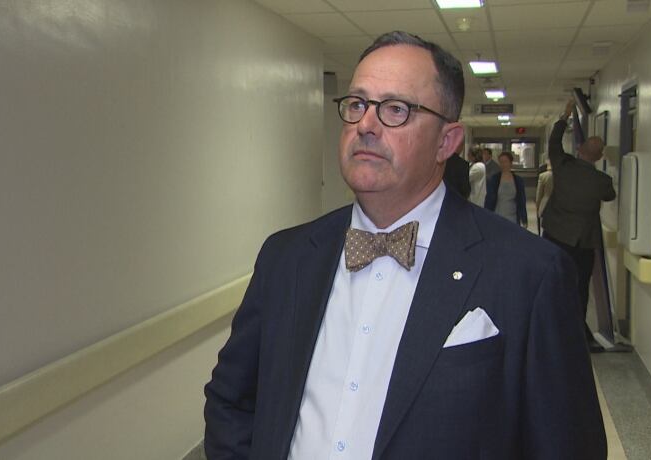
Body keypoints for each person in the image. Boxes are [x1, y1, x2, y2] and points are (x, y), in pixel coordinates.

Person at [204, 31, 606, 460]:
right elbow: (232, 399)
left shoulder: (530, 274)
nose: (366, 125)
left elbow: (567, 445)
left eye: (396, 109)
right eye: (357, 104)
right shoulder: (287, 257)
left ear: (446, 142)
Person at [542, 99, 616, 352]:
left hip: (555, 236)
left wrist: (565, 116)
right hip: (584, 242)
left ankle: (550, 329)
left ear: (580, 148)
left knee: (551, 282)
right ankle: (576, 333)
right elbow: (610, 196)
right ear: (600, 157)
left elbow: (554, 142)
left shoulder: (563, 166)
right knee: (579, 287)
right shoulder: (602, 181)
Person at [484, 151, 528, 227]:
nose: (503, 164)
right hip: (497, 216)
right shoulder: (494, 179)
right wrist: (486, 217)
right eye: (501, 162)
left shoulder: (518, 180)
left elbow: (521, 201)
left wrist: (524, 219)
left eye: (505, 162)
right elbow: (489, 199)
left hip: (513, 217)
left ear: (511, 163)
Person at [536, 158, 553, 235]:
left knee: (544, 229)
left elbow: (539, 194)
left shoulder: (543, 176)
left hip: (545, 204)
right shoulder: (562, 176)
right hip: (559, 205)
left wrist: (538, 206)